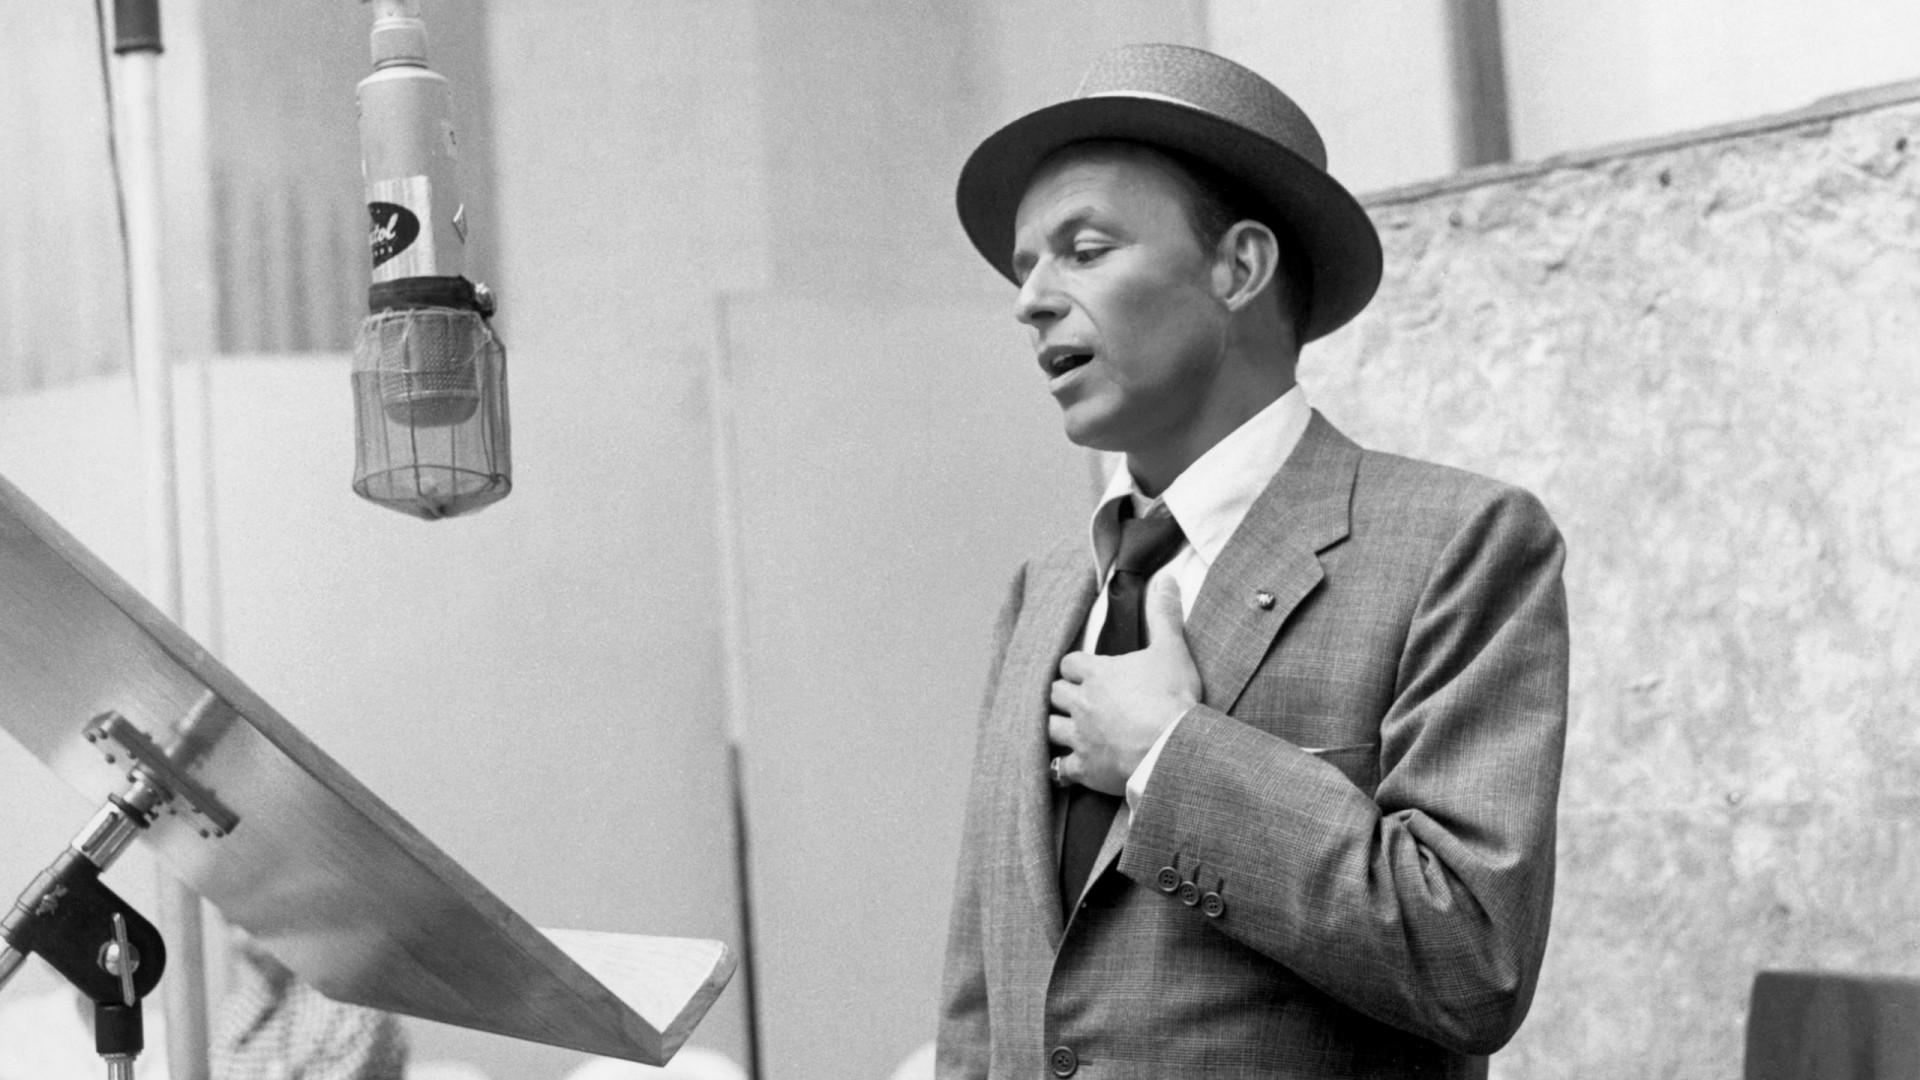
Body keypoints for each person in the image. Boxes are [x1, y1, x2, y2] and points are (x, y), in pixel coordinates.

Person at [937, 43, 1569, 1079]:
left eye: (1084, 250)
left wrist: (1168, 754)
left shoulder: (1458, 544)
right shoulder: (1043, 592)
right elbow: (982, 994)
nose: (1032, 300)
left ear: (1238, 268)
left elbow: (1471, 961)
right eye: (1025, 267)